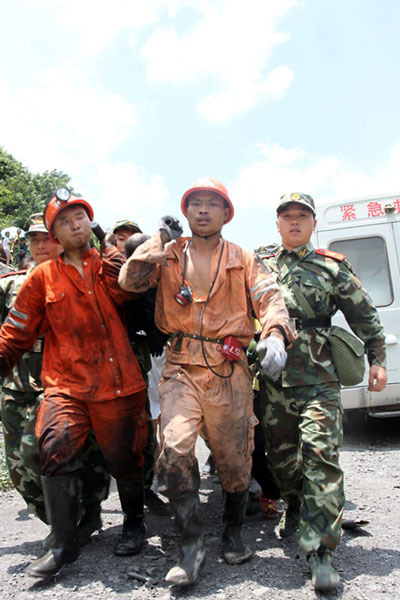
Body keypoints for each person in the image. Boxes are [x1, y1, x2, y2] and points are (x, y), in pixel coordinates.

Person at [118, 176, 294, 586]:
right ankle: (191, 544)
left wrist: (273, 335)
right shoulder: (169, 254)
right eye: (194, 203)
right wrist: (158, 240)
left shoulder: (244, 258)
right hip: (180, 366)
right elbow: (129, 280)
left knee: (234, 461)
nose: (202, 209)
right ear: (185, 212)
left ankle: (233, 532)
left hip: (227, 369)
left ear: (226, 213)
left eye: (211, 204)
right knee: (175, 450)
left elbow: (271, 299)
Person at [0, 190, 148, 580]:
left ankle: (134, 522)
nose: (75, 223)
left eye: (81, 216)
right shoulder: (41, 278)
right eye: (65, 221)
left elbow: (130, 286)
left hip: (117, 384)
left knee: (125, 459)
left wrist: (103, 239)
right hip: (65, 384)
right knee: (54, 445)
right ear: (54, 234)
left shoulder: (107, 265)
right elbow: (14, 333)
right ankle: (63, 544)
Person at [258, 192, 387, 593]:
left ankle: (321, 552)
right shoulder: (258, 265)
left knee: (321, 455)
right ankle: (293, 502)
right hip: (274, 380)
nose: (294, 222)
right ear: (277, 224)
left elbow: (363, 313)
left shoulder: (331, 267)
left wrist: (377, 357)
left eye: (302, 216)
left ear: (313, 224)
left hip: (319, 378)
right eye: (287, 216)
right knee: (279, 459)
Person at [0, 213, 110, 549]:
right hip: (16, 387)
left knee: (49, 453)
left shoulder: (74, 279)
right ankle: (59, 517)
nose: (39, 245)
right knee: (18, 464)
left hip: (58, 385)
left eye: (45, 238)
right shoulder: (11, 285)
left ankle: (82, 513)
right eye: (33, 240)